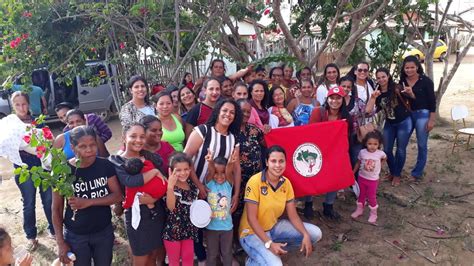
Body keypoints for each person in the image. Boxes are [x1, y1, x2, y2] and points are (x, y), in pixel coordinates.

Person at [239, 145, 322, 266]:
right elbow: (251, 219)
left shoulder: (286, 183)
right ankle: (254, 259)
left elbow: (293, 215)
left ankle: (265, 254)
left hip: (273, 228)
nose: (277, 165)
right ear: (267, 162)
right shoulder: (255, 181)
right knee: (276, 265)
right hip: (250, 233)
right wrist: (269, 243)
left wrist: (305, 234)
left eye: (281, 161)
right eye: (273, 161)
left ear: (285, 163)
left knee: (315, 234)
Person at [52, 126, 122, 266]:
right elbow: (56, 209)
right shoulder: (63, 172)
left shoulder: (105, 165)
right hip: (75, 235)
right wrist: (60, 242)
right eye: (83, 146)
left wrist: (88, 202)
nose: (89, 150)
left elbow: (118, 196)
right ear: (72, 147)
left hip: (103, 231)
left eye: (92, 145)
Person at [184, 99, 242, 264]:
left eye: (232, 112)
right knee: (197, 222)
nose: (228, 114)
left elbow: (236, 168)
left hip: (220, 193)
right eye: (225, 110)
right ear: (217, 111)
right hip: (196, 188)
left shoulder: (233, 139)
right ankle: (203, 257)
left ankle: (218, 256)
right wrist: (198, 185)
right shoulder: (202, 131)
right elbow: (186, 158)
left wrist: (236, 194)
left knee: (216, 221)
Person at [109, 123, 167, 265]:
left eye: (142, 136)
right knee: (141, 256)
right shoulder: (117, 161)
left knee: (154, 253)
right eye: (133, 136)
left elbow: (164, 183)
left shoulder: (151, 158)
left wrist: (153, 199)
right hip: (135, 216)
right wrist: (153, 172)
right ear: (124, 137)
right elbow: (130, 181)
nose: (138, 140)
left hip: (156, 211)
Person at [10, 91, 55, 251]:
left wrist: (43, 142)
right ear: (13, 106)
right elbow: (8, 147)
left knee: (49, 200)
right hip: (23, 169)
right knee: (29, 203)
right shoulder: (10, 125)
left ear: (29, 104)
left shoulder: (39, 122)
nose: (21, 108)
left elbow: (50, 140)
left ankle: (54, 230)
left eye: (24, 104)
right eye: (17, 105)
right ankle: (31, 236)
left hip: (43, 167)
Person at [308, 87, 352, 220]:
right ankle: (308, 203)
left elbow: (346, 137)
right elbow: (311, 131)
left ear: (342, 100)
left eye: (338, 98)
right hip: (317, 149)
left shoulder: (346, 117)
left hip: (334, 151)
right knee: (311, 174)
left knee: (335, 177)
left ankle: (328, 205)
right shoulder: (318, 111)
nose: (335, 101)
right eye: (332, 98)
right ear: (327, 99)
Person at [374, 68, 413, 186]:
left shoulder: (397, 88)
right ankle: (393, 171)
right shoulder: (378, 93)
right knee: (387, 150)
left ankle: (397, 175)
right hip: (389, 124)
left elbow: (411, 99)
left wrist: (410, 93)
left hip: (404, 122)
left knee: (401, 150)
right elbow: (377, 109)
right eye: (379, 77)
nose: (381, 79)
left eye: (383, 77)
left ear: (388, 76)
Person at [400, 55, 435, 182]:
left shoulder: (425, 81)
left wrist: (432, 120)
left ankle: (417, 172)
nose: (409, 70)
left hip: (423, 114)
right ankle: (397, 171)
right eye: (406, 68)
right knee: (401, 144)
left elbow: (432, 102)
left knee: (421, 144)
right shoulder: (402, 81)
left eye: (412, 67)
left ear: (417, 67)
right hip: (408, 114)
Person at [163, 152, 198, 266]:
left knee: (188, 261)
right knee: (174, 263)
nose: (183, 173)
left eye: (186, 169)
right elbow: (171, 207)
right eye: (178, 170)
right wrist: (170, 187)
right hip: (173, 231)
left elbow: (195, 207)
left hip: (188, 230)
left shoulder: (191, 186)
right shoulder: (170, 186)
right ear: (171, 170)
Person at [204, 148, 238, 266]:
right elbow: (212, 170)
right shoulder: (209, 183)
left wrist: (231, 163)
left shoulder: (228, 184)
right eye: (216, 173)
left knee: (227, 253)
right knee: (212, 254)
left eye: (222, 172)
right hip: (211, 228)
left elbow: (228, 171)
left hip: (227, 228)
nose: (219, 176)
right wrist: (210, 161)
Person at [351, 131, 387, 224]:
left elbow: (385, 158)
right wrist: (353, 172)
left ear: (379, 144)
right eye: (370, 143)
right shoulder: (362, 152)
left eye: (375, 144)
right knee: (361, 195)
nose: (372, 146)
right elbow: (358, 162)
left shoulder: (380, 153)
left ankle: (373, 213)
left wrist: (380, 166)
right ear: (365, 143)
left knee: (371, 196)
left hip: (373, 180)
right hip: (362, 178)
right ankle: (359, 210)